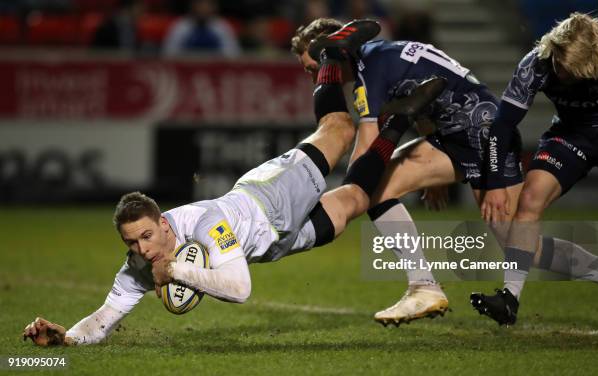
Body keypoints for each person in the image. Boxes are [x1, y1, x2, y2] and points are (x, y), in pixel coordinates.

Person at [22, 22, 447, 346]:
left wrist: (177, 270)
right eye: (133, 243)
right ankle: (398, 124)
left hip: (271, 197)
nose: (143, 249)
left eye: (147, 237)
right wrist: (69, 338)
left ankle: (334, 57)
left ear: (165, 225)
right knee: (357, 198)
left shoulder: (207, 224)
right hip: (278, 242)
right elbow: (107, 314)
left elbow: (240, 290)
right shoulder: (141, 261)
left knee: (337, 129)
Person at [292, 18, 526, 326]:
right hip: (455, 134)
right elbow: (428, 93)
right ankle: (424, 287)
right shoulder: (379, 56)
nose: (317, 78)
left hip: (484, 135)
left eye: (314, 68)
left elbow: (366, 150)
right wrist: (431, 153)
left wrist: (345, 198)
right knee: (378, 190)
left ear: (334, 50)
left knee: (515, 238)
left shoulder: (370, 68)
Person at [471, 13, 598, 325]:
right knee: (530, 198)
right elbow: (502, 126)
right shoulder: (535, 63)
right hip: (571, 135)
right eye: (564, 68)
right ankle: (509, 299)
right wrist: (495, 183)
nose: (567, 76)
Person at [162, 0, 240, 57]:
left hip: (215, 70)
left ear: (214, 7)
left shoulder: (222, 26)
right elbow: (169, 54)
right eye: (200, 4)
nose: (203, 8)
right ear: (193, 5)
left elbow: (233, 55)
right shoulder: (181, 26)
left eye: (207, 4)